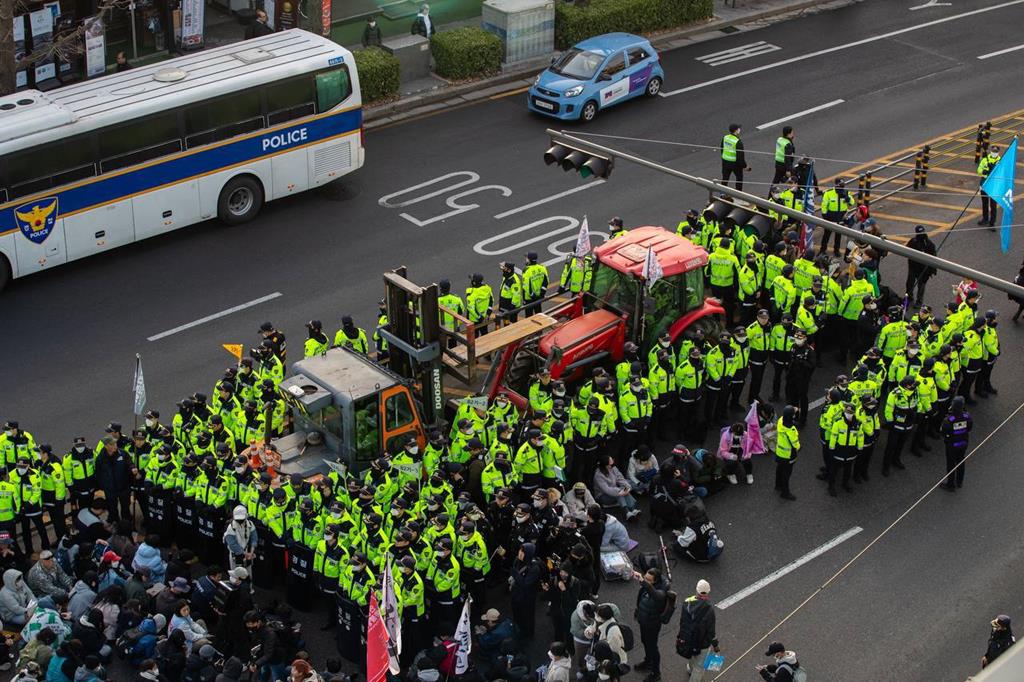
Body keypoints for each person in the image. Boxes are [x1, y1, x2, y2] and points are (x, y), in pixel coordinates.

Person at [676, 580, 719, 682]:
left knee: (692, 655)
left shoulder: (687, 603)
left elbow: (682, 622)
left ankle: (690, 669)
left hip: (688, 639)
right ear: (708, 592)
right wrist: (715, 645)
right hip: (703, 643)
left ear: (696, 591)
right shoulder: (709, 609)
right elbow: (711, 631)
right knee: (699, 667)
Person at [634, 568, 670, 682]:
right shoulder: (648, 587)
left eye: (649, 580)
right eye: (645, 578)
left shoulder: (661, 592)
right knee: (645, 641)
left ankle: (656, 673)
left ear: (655, 581)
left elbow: (655, 594)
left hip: (652, 624)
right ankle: (648, 661)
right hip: (644, 621)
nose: (646, 581)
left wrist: (643, 582)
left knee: (653, 647)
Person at [939, 396, 972, 491]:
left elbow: (943, 432)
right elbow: (969, 428)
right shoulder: (967, 417)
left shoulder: (949, 420)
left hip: (952, 444)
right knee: (961, 461)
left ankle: (950, 485)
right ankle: (959, 481)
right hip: (963, 442)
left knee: (951, 464)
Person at [510, 543, 540, 638]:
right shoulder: (517, 560)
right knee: (516, 614)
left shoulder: (534, 568)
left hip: (527, 598)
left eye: (523, 551)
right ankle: (518, 629)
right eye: (520, 550)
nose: (520, 553)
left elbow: (525, 583)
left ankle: (528, 634)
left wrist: (514, 574)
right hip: (516, 594)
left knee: (527, 617)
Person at [905, 225, 937, 306]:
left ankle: (919, 301)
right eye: (919, 232)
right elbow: (906, 250)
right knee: (909, 283)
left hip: (924, 270)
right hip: (913, 267)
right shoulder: (913, 241)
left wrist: (933, 270)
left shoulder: (929, 244)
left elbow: (934, 258)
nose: (921, 234)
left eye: (922, 232)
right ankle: (909, 297)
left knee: (921, 286)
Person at [775, 406, 800, 501]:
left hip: (779, 452)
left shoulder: (781, 421)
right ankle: (785, 493)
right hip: (788, 455)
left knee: (779, 469)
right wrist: (798, 447)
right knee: (786, 474)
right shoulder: (791, 430)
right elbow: (795, 444)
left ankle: (778, 485)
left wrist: (793, 410)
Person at [977, 144, 1001, 227]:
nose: (994, 153)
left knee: (993, 205)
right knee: (985, 203)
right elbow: (979, 170)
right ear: (991, 151)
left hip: (994, 185)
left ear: (998, 152)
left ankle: (992, 223)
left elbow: (1002, 173)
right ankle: (985, 219)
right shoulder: (985, 160)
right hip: (985, 184)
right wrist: (984, 172)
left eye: (996, 152)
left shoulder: (1001, 161)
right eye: (993, 151)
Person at [720, 124, 750, 190]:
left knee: (725, 179)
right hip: (735, 164)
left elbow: (722, 148)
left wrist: (724, 157)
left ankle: (722, 194)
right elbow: (740, 157)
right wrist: (745, 166)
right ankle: (738, 195)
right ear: (736, 131)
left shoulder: (725, 137)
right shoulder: (738, 142)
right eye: (739, 128)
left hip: (725, 162)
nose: (740, 129)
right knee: (739, 178)